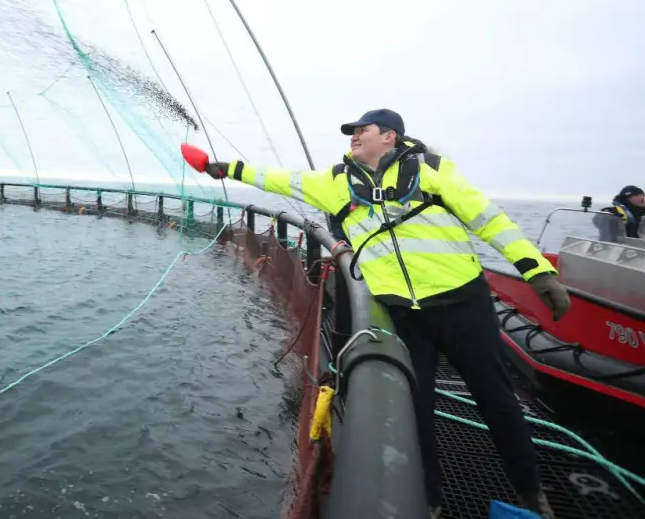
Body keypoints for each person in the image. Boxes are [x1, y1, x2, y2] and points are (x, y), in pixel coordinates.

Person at [201, 108, 571, 519]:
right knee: (416, 409)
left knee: (497, 400)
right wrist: (224, 168)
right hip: (405, 316)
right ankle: (430, 500)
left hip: (464, 305)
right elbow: (277, 178)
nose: (354, 136)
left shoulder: (431, 170)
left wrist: (536, 270)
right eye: (352, 132)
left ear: (390, 135)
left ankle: (531, 493)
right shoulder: (334, 183)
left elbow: (488, 219)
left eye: (363, 129)